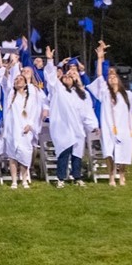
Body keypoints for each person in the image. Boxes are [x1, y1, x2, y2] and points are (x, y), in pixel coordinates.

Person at [90, 41, 132, 186]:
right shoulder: (104, 92)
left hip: (125, 129)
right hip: (109, 128)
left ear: (118, 80)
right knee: (109, 152)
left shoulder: (127, 95)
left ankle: (122, 175)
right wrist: (100, 58)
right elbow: (99, 75)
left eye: (114, 77)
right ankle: (111, 176)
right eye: (110, 77)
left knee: (124, 153)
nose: (112, 78)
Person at [43, 47, 99, 188]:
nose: (67, 78)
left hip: (77, 128)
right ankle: (60, 178)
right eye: (65, 77)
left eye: (70, 77)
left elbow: (87, 111)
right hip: (63, 127)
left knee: (77, 154)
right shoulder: (58, 90)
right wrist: (50, 60)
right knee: (64, 152)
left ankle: (77, 177)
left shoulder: (80, 94)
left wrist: (93, 126)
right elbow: (50, 77)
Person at [0, 56, 43, 189]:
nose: (18, 81)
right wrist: (8, 70)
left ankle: (23, 180)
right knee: (12, 156)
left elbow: (34, 112)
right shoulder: (11, 93)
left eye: (20, 79)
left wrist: (31, 125)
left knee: (25, 155)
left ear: (25, 83)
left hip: (25, 129)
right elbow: (5, 82)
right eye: (16, 79)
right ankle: (14, 181)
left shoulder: (31, 95)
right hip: (12, 129)